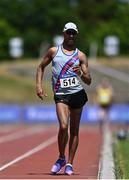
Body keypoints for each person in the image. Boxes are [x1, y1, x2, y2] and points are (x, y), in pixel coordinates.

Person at [36, 22, 91, 175]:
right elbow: (41, 67)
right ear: (64, 33)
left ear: (76, 34)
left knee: (74, 130)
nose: (71, 35)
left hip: (77, 94)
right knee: (63, 126)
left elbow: (88, 80)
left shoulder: (81, 55)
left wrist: (81, 72)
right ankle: (61, 157)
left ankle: (70, 164)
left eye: (73, 33)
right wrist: (38, 86)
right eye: (69, 33)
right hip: (61, 94)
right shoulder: (54, 51)